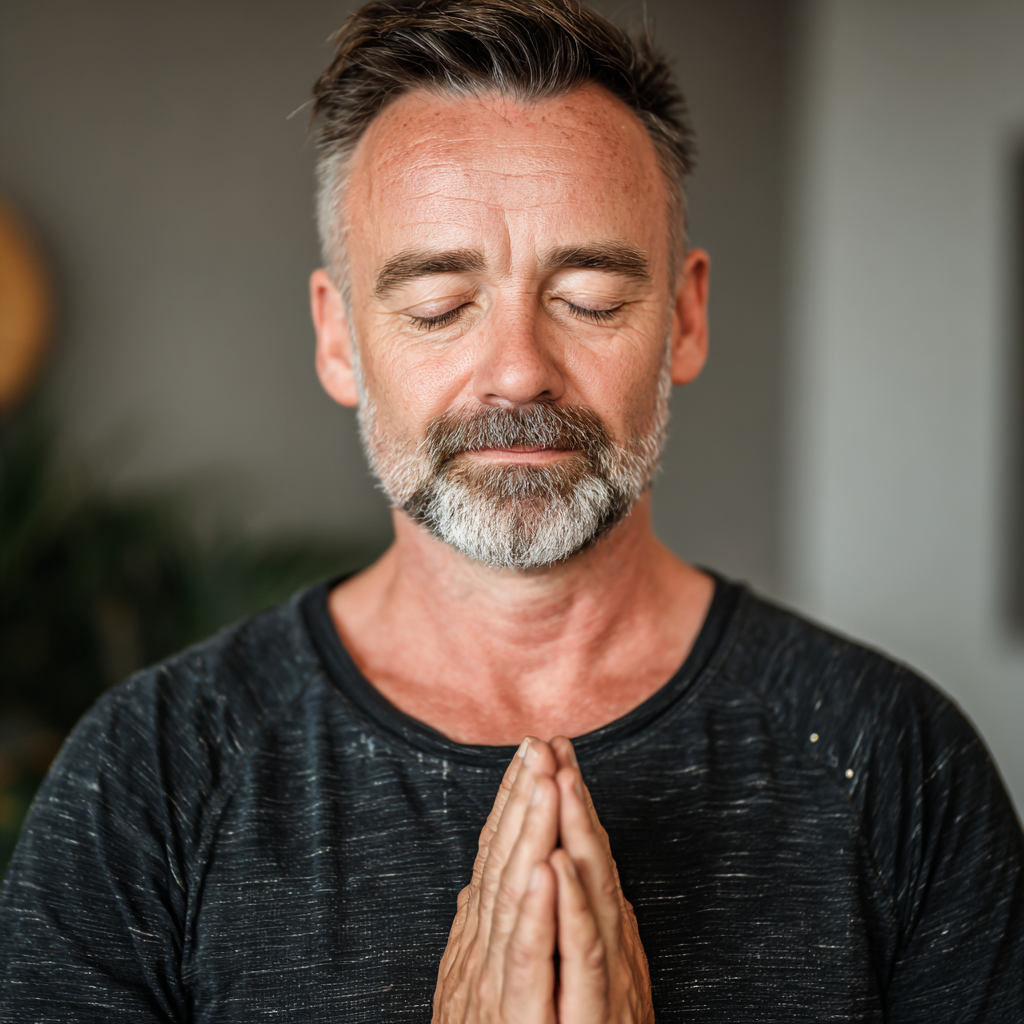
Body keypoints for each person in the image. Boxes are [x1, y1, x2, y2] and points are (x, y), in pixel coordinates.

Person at [1, 0, 1022, 1019]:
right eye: (440, 306)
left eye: (587, 298)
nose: (518, 372)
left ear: (685, 317)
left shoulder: (895, 765)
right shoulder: (149, 779)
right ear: (338, 339)